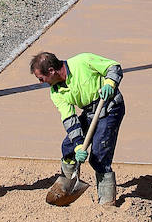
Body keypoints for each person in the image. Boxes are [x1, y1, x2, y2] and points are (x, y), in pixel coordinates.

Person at [29, 51, 125, 206]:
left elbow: (113, 66)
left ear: (52, 71)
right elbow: (70, 119)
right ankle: (67, 186)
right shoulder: (56, 92)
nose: (41, 82)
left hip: (110, 107)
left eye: (41, 78)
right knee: (68, 147)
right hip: (90, 111)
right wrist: (79, 144)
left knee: (99, 156)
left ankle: (107, 202)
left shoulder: (82, 61)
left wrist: (110, 83)